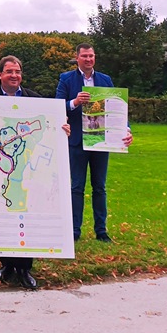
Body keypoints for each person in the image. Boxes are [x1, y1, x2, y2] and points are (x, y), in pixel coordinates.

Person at [0, 55, 70, 290]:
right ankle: (7, 264)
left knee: (26, 210)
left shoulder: (36, 101)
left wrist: (62, 130)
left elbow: (50, 126)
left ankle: (24, 268)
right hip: (2, 168)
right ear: (0, 74)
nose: (14, 75)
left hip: (26, 167)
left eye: (17, 71)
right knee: (2, 210)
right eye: (9, 71)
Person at [56, 42, 133, 243]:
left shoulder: (105, 80)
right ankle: (74, 231)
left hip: (101, 140)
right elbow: (57, 107)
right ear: (77, 58)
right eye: (84, 56)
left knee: (100, 187)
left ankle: (101, 231)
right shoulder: (66, 79)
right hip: (77, 141)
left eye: (91, 56)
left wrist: (126, 129)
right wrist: (74, 102)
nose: (88, 59)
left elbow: (118, 107)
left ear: (94, 57)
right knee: (77, 187)